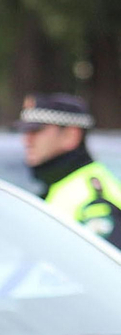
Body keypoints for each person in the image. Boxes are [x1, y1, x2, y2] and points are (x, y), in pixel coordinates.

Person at [18, 92, 121, 248]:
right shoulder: (61, 184)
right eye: (25, 132)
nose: (26, 140)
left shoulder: (93, 195)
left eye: (36, 131)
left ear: (70, 135)